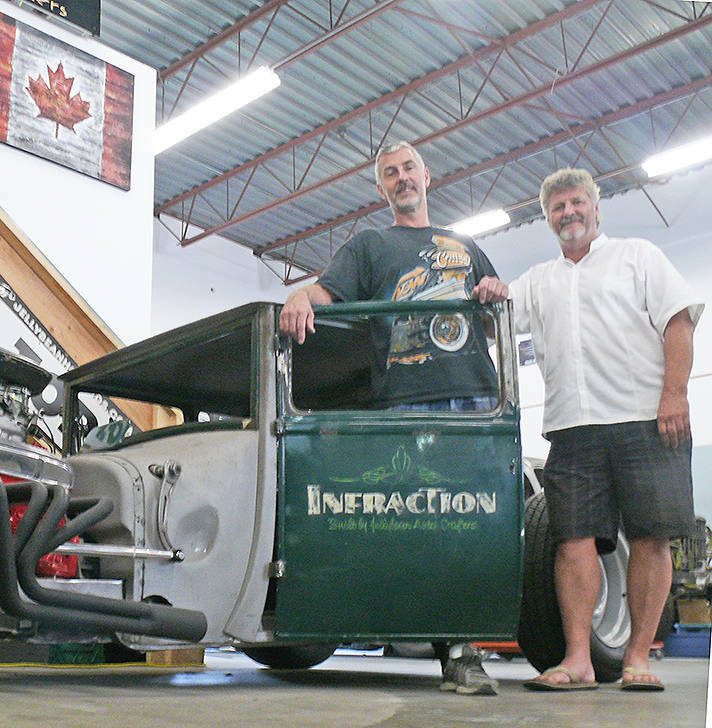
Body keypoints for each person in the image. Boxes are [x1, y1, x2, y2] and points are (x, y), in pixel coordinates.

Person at [280, 140, 508, 695]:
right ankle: (441, 643)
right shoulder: (370, 245)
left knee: (471, 527)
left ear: (427, 176)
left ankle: (461, 651)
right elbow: (325, 291)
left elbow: (497, 305)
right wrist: (300, 296)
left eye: (408, 169)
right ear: (380, 188)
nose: (402, 178)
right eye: (390, 173)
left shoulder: (466, 245)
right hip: (403, 402)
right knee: (418, 523)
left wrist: (495, 289)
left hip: (475, 395)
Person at [512, 168, 702, 692]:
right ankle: (579, 659)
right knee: (571, 543)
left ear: (597, 209)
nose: (568, 213)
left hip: (648, 419)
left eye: (577, 203)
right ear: (547, 218)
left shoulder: (638, 257)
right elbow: (497, 314)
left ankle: (637, 657)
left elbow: (678, 320)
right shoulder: (538, 281)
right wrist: (487, 288)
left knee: (649, 537)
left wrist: (675, 393)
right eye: (557, 207)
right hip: (572, 428)